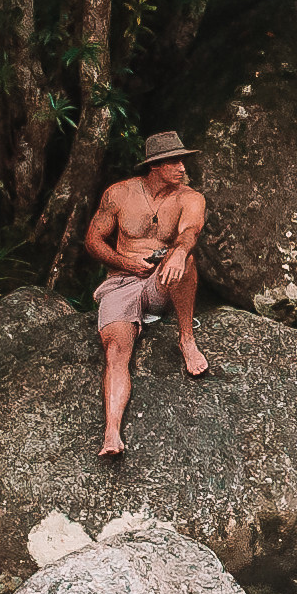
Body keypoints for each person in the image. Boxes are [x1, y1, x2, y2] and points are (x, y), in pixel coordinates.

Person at [80, 127, 211, 458]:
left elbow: (190, 231)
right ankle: (112, 434)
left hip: (161, 282)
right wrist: (124, 260)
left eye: (183, 160)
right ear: (155, 165)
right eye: (174, 161)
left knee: (186, 258)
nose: (182, 167)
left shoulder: (190, 198)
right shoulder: (119, 194)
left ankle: (186, 339)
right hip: (122, 282)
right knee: (116, 349)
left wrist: (178, 252)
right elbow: (93, 240)